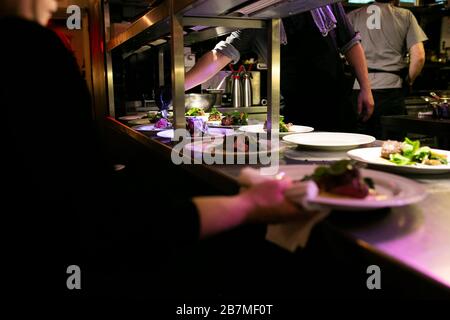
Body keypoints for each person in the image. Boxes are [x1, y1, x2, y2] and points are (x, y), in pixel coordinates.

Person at [0, 0, 319, 300]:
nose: (55, 5)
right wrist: (246, 206)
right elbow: (104, 224)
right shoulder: (30, 49)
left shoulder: (27, 47)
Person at [185, 3, 375, 132]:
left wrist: (366, 89)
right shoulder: (258, 14)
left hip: (336, 104)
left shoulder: (324, 3)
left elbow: (350, 43)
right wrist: (178, 85)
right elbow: (220, 55)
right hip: (295, 112)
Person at [347, 0, 428, 139]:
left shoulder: (352, 16)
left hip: (359, 90)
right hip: (391, 91)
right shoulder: (406, 15)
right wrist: (409, 80)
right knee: (392, 146)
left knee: (359, 144)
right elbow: (419, 57)